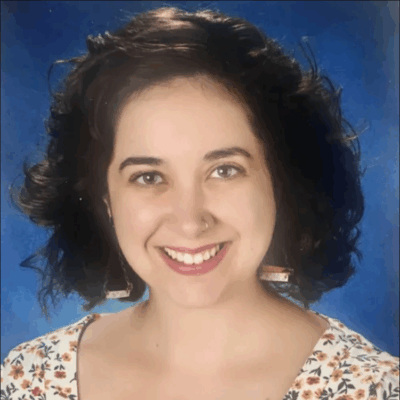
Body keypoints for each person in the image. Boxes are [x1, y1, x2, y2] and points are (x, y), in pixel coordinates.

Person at [1, 6, 398, 400]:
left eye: (224, 170)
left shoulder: (372, 388)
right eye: (148, 177)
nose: (190, 221)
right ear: (105, 199)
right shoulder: (31, 378)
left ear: (281, 181)